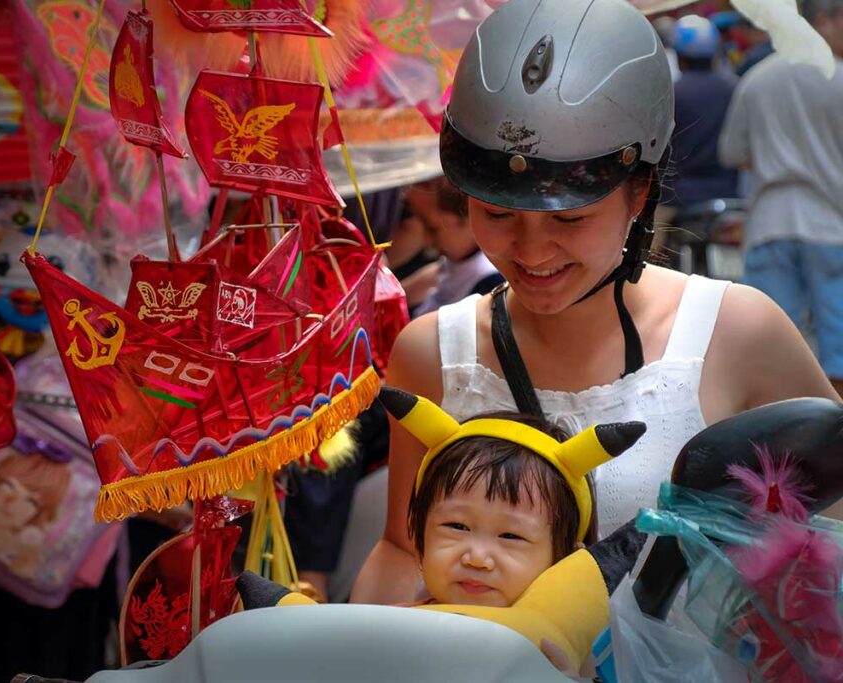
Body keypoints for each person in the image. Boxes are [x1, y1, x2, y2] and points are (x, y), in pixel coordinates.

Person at [351, 0, 838, 606]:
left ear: (640, 193)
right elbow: (403, 548)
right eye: (497, 212)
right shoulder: (431, 351)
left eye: (571, 217)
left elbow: (830, 532)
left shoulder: (739, 333)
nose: (530, 249)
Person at [239, 386, 649, 672]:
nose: (476, 556)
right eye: (456, 526)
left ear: (564, 557)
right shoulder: (393, 624)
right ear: (418, 536)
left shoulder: (580, 650)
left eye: (510, 536)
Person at [719, 0, 843, 398]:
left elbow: (732, 152)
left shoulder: (754, 80)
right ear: (820, 24)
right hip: (831, 223)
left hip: (770, 220)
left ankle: (782, 442)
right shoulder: (837, 78)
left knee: (771, 342)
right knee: (839, 348)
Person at [663, 15, 739, 212]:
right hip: (730, 193)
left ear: (680, 57)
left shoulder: (672, 93)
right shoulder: (735, 88)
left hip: (677, 197)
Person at [403, 176, 504, 317]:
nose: (427, 241)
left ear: (468, 220)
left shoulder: (490, 284)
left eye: (432, 229)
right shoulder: (452, 262)